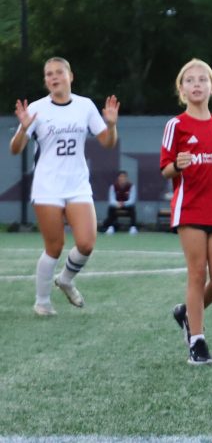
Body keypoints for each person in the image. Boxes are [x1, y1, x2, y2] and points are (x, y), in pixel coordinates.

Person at [9, 57, 119, 317]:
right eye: (49, 74)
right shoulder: (36, 109)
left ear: (71, 76)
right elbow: (15, 149)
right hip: (47, 187)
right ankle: (42, 301)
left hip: (77, 184)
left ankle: (66, 279)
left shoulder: (85, 106)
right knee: (54, 247)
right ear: (45, 80)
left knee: (87, 243)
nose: (54, 77)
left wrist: (112, 125)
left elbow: (107, 142)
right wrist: (23, 130)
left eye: (59, 72)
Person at [161, 59, 212, 365]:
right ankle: (197, 339)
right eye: (189, 80)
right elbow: (166, 168)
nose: (196, 84)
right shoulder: (176, 125)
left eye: (202, 79)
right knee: (197, 273)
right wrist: (176, 165)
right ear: (181, 89)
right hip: (189, 207)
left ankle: (186, 313)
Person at [102, 170, 138, 235]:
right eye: (121, 177)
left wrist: (124, 204)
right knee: (111, 208)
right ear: (118, 178)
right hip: (116, 206)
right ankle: (111, 227)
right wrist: (117, 204)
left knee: (133, 208)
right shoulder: (113, 186)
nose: (122, 178)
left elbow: (132, 200)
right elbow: (111, 200)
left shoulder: (131, 186)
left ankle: (133, 227)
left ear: (127, 178)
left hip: (127, 206)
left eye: (124, 177)